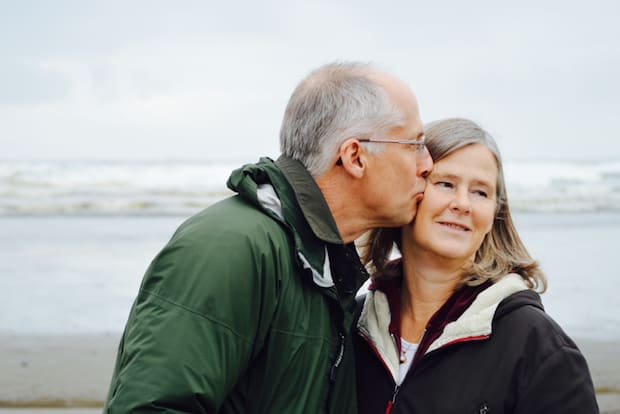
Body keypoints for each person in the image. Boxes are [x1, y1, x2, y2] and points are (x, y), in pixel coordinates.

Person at [103, 62, 433, 413]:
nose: (427, 164)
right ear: (354, 157)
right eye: (414, 144)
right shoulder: (231, 247)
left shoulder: (325, 264)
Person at [355, 118, 598, 413]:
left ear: (496, 213)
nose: (462, 203)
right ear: (410, 190)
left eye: (480, 192)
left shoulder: (539, 347)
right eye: (445, 184)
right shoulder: (354, 324)